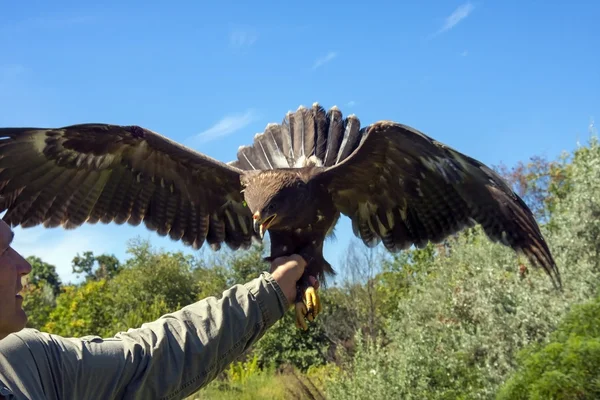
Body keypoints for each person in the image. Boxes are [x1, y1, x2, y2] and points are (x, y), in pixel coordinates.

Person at [0, 219, 316, 400]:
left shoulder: (24, 362)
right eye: (2, 249)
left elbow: (150, 358)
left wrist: (270, 291)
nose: (24, 266)